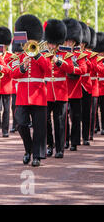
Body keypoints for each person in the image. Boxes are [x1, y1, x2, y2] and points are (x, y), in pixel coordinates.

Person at [11, 14, 50, 167]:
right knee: (21, 124)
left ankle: (37, 156)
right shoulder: (19, 53)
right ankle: (28, 149)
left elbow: (47, 69)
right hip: (22, 95)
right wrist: (23, 67)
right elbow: (12, 73)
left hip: (38, 94)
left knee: (39, 127)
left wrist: (36, 54)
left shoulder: (43, 51)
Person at [44, 19, 79, 159]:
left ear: (58, 42)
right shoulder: (43, 52)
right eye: (49, 42)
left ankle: (59, 149)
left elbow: (71, 69)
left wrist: (59, 62)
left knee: (60, 122)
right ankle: (49, 145)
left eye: (53, 43)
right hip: (46, 93)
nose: (51, 45)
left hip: (60, 92)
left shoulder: (65, 54)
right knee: (45, 120)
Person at [63, 18, 87, 152]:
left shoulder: (79, 55)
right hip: (63, 90)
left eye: (70, 41)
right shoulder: (59, 54)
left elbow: (83, 70)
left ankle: (74, 141)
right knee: (63, 118)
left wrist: (72, 68)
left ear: (74, 41)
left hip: (75, 90)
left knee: (75, 117)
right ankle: (65, 139)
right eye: (66, 40)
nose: (68, 43)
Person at [0, 26, 13, 137]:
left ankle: (5, 130)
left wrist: (1, 66)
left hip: (6, 86)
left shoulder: (11, 57)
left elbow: (11, 71)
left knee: (6, 110)